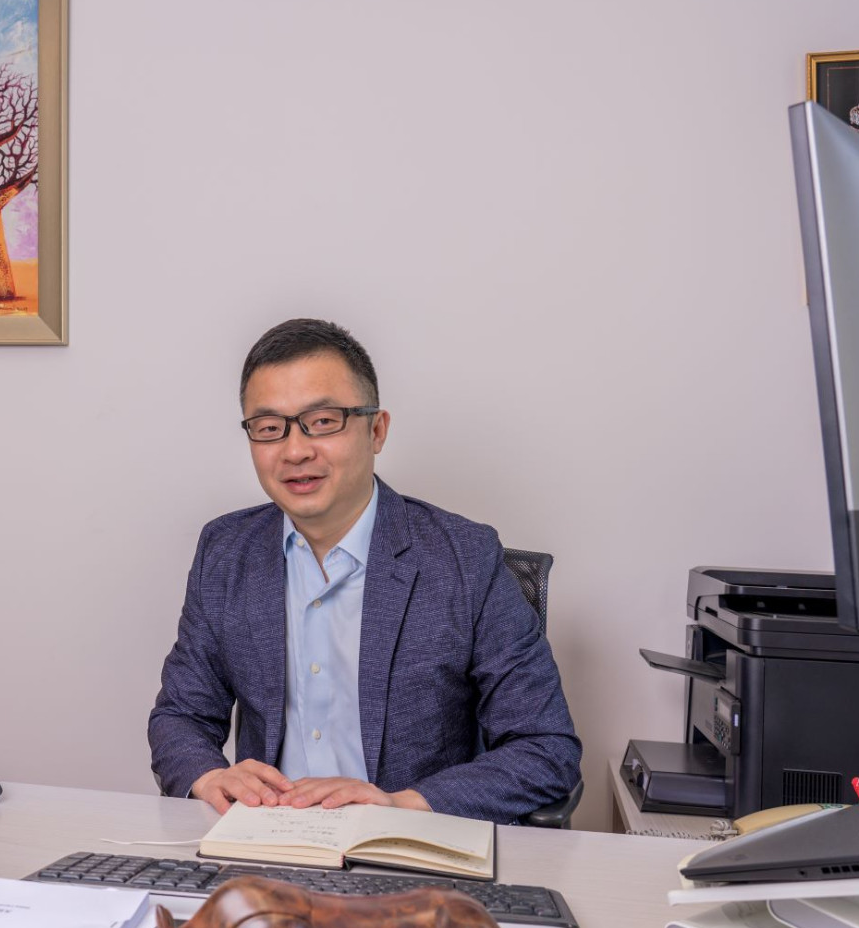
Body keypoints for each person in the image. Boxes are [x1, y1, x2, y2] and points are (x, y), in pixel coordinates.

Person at [148, 319, 581, 824]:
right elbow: (181, 714)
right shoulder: (227, 552)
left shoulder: (465, 558)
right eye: (269, 428)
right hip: (267, 842)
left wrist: (401, 804)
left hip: (406, 846)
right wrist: (207, 775)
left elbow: (545, 748)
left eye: (322, 421)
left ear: (376, 430)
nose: (295, 450)